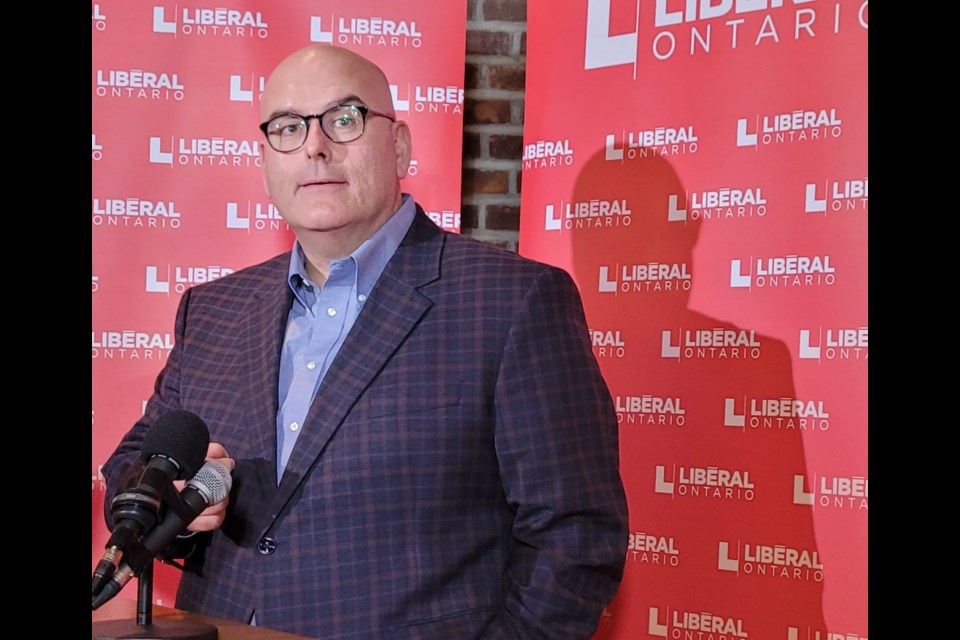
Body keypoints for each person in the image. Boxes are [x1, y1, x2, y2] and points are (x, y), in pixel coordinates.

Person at [100, 44, 628, 640]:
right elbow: (134, 463)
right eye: (288, 127)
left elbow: (575, 533)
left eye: (344, 119)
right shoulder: (213, 310)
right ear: (266, 157)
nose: (315, 147)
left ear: (400, 145)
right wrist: (164, 498)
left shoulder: (513, 303)